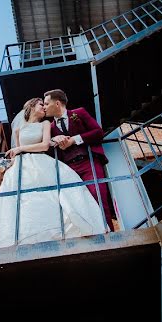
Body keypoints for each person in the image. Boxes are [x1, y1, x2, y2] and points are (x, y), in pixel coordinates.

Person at [0, 98, 107, 249]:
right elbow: (15, 152)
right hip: (22, 165)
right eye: (41, 105)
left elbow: (44, 146)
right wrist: (6, 164)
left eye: (45, 104)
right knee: (24, 200)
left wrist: (21, 149)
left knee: (56, 193)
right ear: (31, 106)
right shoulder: (18, 130)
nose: (44, 107)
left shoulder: (44, 125)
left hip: (41, 162)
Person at [43, 89, 116, 228]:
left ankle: (109, 235)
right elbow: (48, 148)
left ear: (57, 103)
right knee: (77, 204)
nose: (44, 107)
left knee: (98, 196)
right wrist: (54, 140)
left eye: (46, 104)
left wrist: (74, 140)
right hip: (68, 169)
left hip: (89, 162)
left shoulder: (79, 113)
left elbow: (98, 132)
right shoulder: (50, 127)